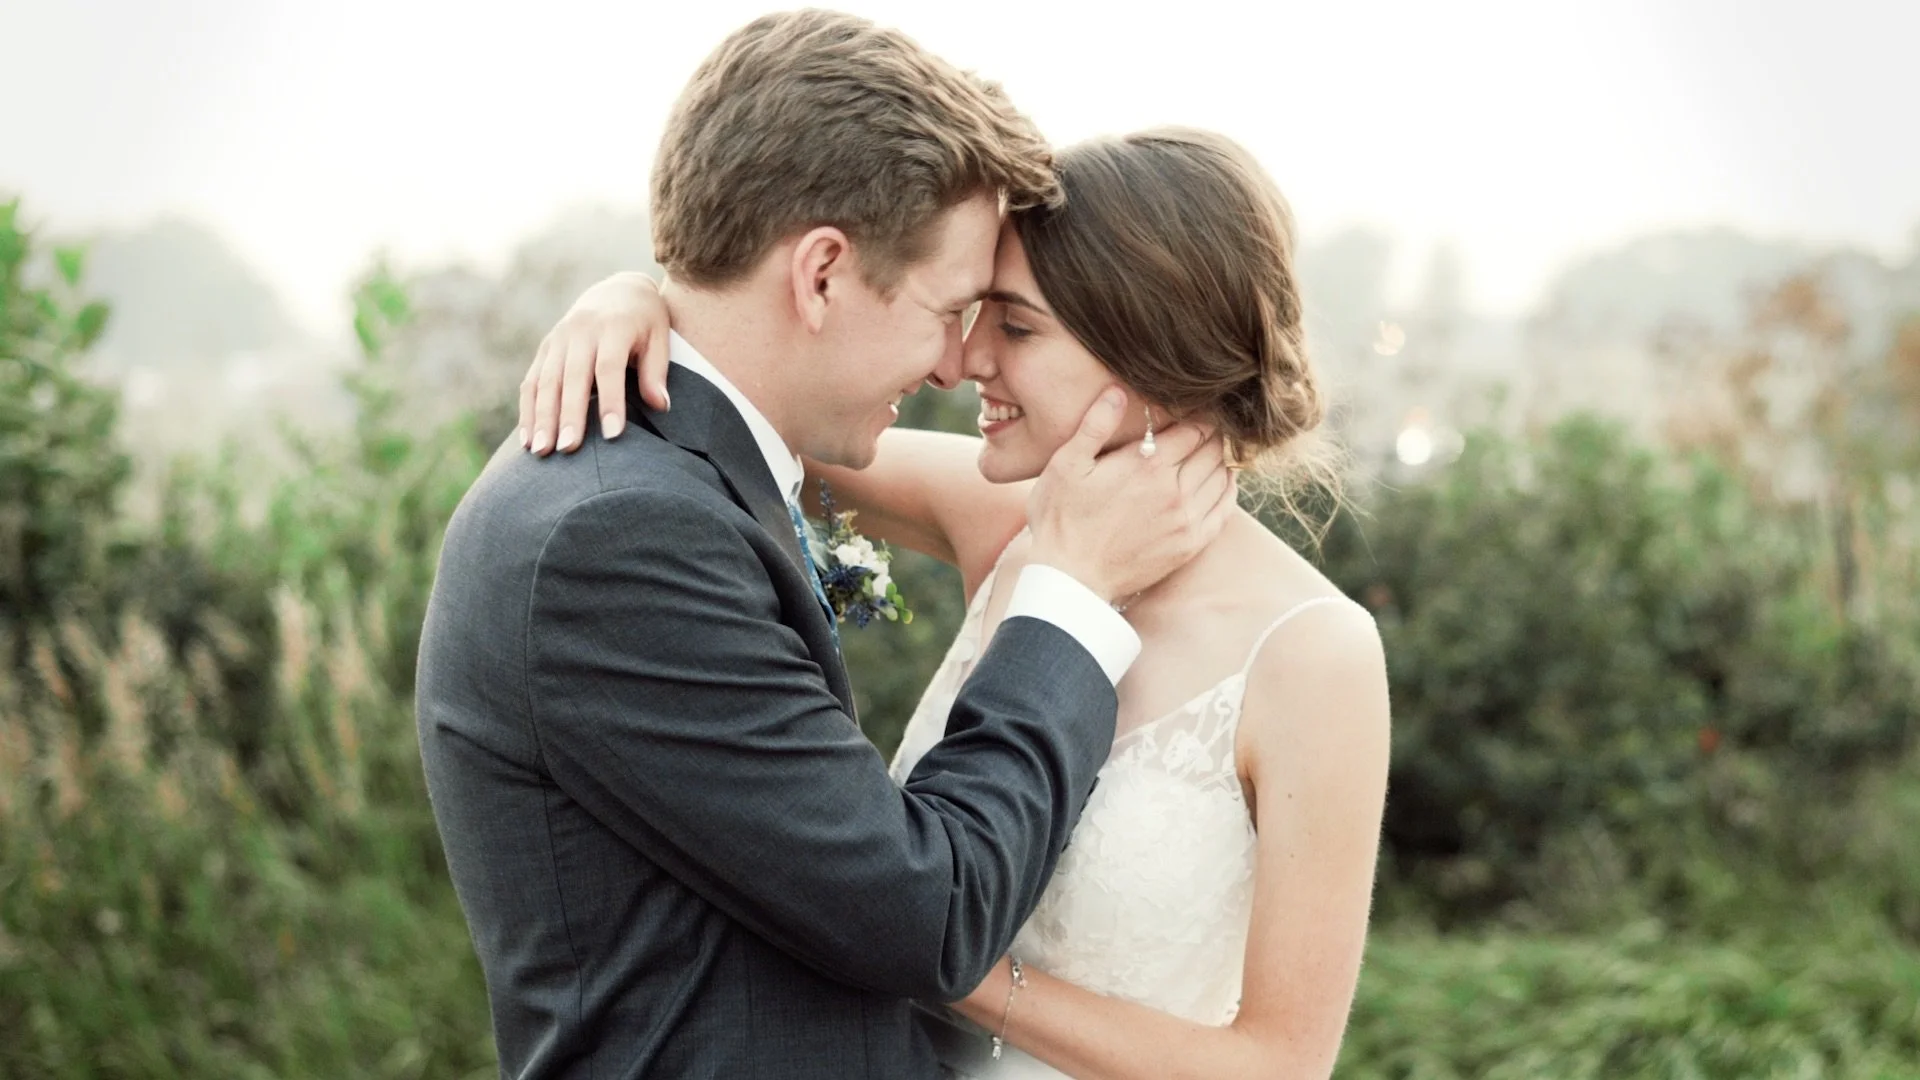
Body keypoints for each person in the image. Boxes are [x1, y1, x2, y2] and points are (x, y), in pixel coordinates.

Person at [415, 12, 1235, 1080]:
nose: (956, 365)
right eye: (951, 309)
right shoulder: (620, 532)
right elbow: (930, 915)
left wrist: (640, 288)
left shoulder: (670, 472)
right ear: (821, 275)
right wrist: (1071, 591)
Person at [527, 127, 1392, 1079]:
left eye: (1016, 327)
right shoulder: (1005, 516)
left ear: (1155, 349)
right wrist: (631, 299)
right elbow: (751, 400)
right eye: (976, 312)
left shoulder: (1313, 655)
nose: (967, 356)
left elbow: (1280, 1065)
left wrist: (932, 953)